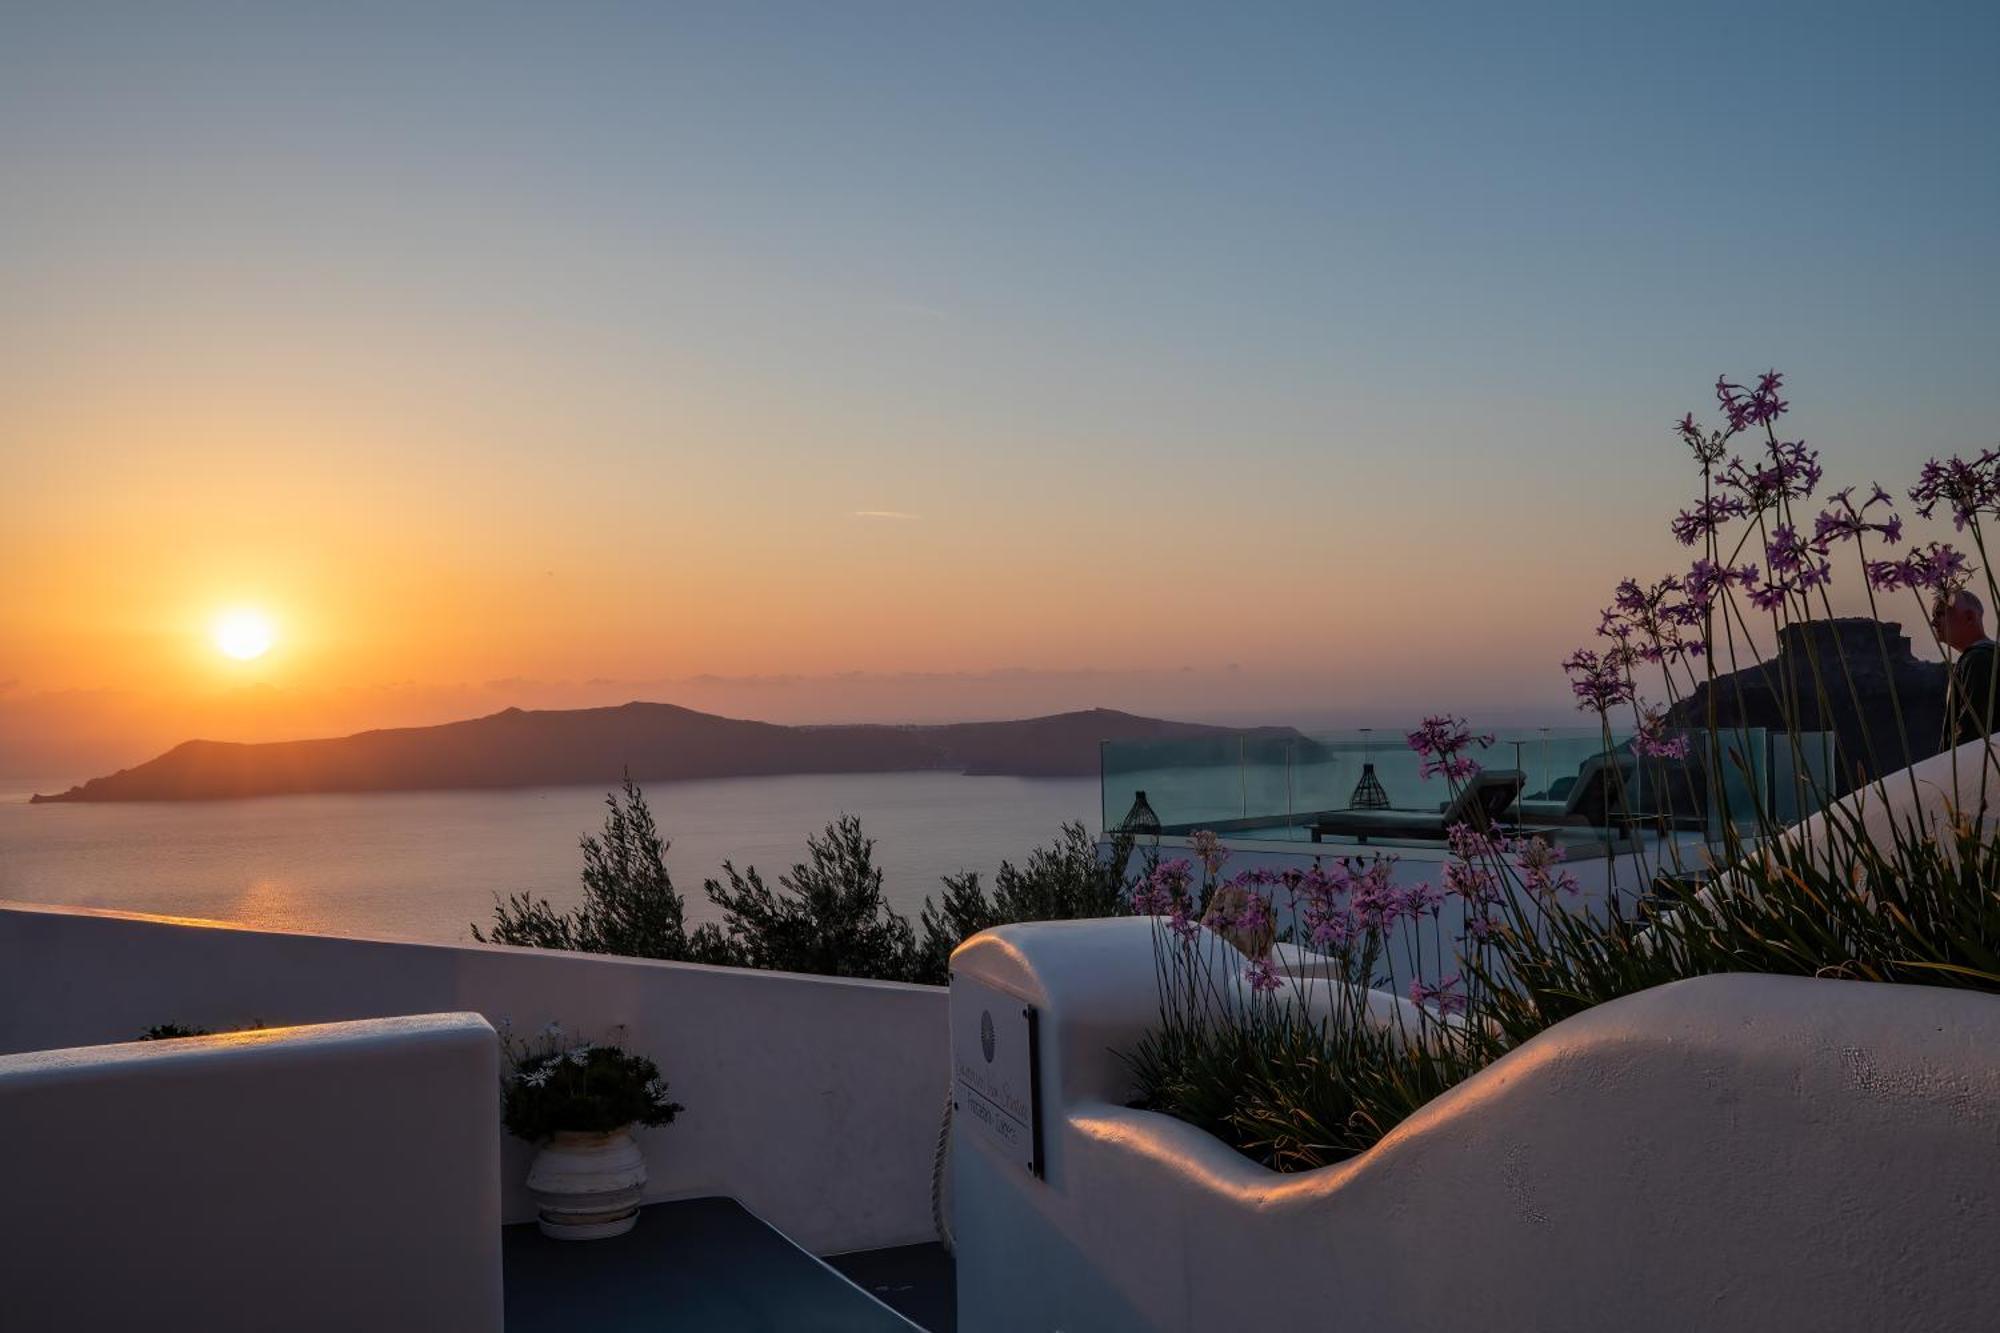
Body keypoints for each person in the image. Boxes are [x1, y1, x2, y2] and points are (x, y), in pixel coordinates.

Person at [1934, 589, 1998, 747]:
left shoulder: (1979, 660)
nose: (1933, 622)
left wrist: (1950, 768)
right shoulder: (1978, 658)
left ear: (1969, 617)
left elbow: (1972, 728)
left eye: (1940, 614)